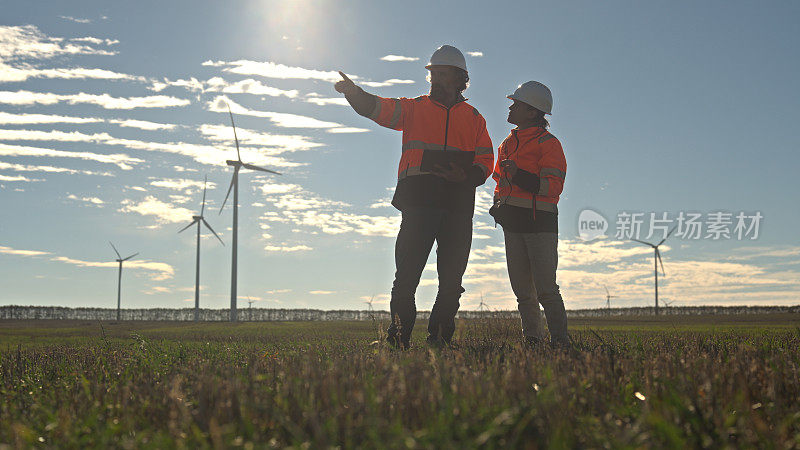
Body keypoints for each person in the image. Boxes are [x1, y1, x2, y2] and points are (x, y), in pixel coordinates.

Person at [334, 45, 494, 349]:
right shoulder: (413, 108)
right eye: (432, 74)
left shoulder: (475, 118)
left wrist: (467, 176)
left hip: (458, 208)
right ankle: (398, 341)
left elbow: (487, 160)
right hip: (419, 204)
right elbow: (376, 108)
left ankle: (440, 340)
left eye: (442, 75)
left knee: (451, 284)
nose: (434, 80)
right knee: (405, 279)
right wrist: (354, 93)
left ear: (461, 79)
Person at [489, 81, 569, 348]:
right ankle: (533, 341)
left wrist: (519, 176)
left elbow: (553, 186)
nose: (511, 108)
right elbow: (500, 181)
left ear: (533, 112)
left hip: (540, 225)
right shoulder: (507, 144)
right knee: (523, 291)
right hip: (513, 226)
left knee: (546, 289)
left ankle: (560, 341)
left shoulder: (549, 144)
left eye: (517, 104)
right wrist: (498, 206)